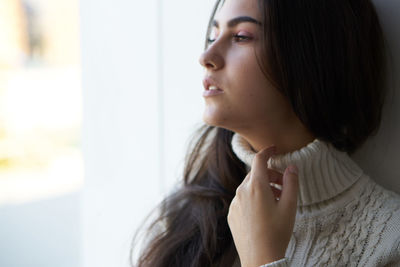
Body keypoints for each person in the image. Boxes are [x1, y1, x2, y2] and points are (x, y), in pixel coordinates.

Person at [130, 0, 400, 266]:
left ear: (310, 55)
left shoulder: (389, 239)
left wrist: (263, 260)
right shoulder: (188, 216)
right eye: (213, 36)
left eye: (240, 36)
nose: (206, 57)